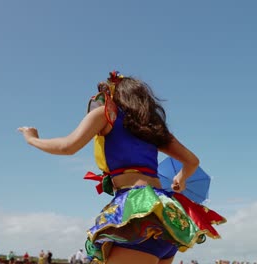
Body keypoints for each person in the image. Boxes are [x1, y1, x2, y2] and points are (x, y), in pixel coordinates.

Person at [19, 71, 226, 264]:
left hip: (137, 218)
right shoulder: (152, 127)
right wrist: (180, 179)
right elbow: (192, 161)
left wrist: (32, 140)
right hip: (166, 220)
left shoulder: (107, 114)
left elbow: (67, 147)